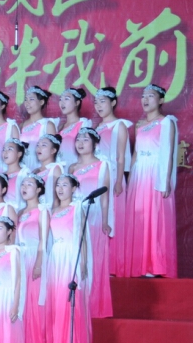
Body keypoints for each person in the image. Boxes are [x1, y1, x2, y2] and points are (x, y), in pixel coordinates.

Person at [125, 84, 178, 278]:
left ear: (161, 100)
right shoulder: (139, 125)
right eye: (143, 96)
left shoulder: (166, 122)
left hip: (156, 173)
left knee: (155, 218)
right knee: (140, 218)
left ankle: (156, 266)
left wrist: (165, 180)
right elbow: (135, 154)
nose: (145, 99)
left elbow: (167, 152)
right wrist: (130, 180)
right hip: (140, 173)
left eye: (151, 96)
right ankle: (140, 265)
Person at [45, 174, 92, 343]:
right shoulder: (53, 210)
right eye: (58, 185)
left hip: (71, 255)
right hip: (56, 257)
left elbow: (82, 237)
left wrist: (83, 262)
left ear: (73, 188)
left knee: (69, 301)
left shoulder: (77, 208)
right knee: (56, 301)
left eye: (65, 185)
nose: (60, 188)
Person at [68, 128, 112, 318]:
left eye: (85, 139)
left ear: (95, 144)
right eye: (78, 139)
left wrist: (105, 220)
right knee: (79, 258)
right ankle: (80, 305)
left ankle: (95, 306)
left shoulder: (103, 165)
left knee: (95, 259)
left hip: (94, 216)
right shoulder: (72, 168)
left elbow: (105, 197)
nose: (80, 142)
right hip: (77, 217)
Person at [93, 87, 133, 277]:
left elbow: (121, 156)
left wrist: (118, 181)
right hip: (98, 176)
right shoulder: (96, 128)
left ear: (113, 103)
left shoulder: (119, 125)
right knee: (100, 216)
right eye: (96, 102)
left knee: (114, 218)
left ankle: (115, 266)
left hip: (114, 175)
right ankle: (100, 264)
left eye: (103, 101)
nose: (99, 106)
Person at [17, 174, 49, 343]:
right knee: (22, 302)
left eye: (29, 184)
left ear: (38, 189)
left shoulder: (42, 211)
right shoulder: (20, 212)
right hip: (20, 259)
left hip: (34, 257)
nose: (25, 187)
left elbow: (43, 240)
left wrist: (38, 263)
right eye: (23, 184)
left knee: (34, 304)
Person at [20, 86, 58, 171]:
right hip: (24, 168)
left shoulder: (47, 125)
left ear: (41, 102)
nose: (27, 103)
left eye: (31, 99)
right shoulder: (21, 125)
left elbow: (52, 154)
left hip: (40, 169)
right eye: (26, 99)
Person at [56, 88, 92, 166]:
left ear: (77, 102)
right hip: (59, 167)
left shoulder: (83, 124)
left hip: (74, 166)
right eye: (60, 99)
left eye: (66, 99)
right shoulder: (60, 127)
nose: (62, 102)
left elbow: (87, 150)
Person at [33, 134, 63, 209]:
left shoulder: (55, 169)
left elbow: (57, 197)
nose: (39, 148)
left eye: (44, 145)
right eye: (38, 145)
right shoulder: (34, 171)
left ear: (53, 150)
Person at [2, 138, 31, 211]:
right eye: (4, 149)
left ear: (19, 154)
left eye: (10, 149)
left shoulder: (25, 173)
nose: (5, 152)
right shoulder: (0, 176)